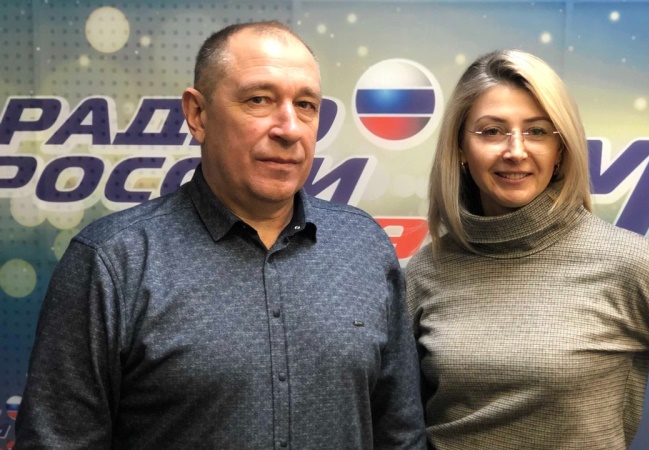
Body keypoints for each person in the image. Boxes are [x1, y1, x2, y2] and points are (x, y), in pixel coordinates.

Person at [15, 21, 425, 449]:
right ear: (198, 114)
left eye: (305, 105)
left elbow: (400, 435)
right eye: (259, 99)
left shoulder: (363, 247)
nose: (289, 128)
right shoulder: (113, 262)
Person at [405, 49, 649, 450]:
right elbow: (395, 419)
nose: (515, 150)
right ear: (460, 148)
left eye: (537, 131)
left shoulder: (628, 263)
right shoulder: (426, 270)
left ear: (561, 148)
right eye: (492, 131)